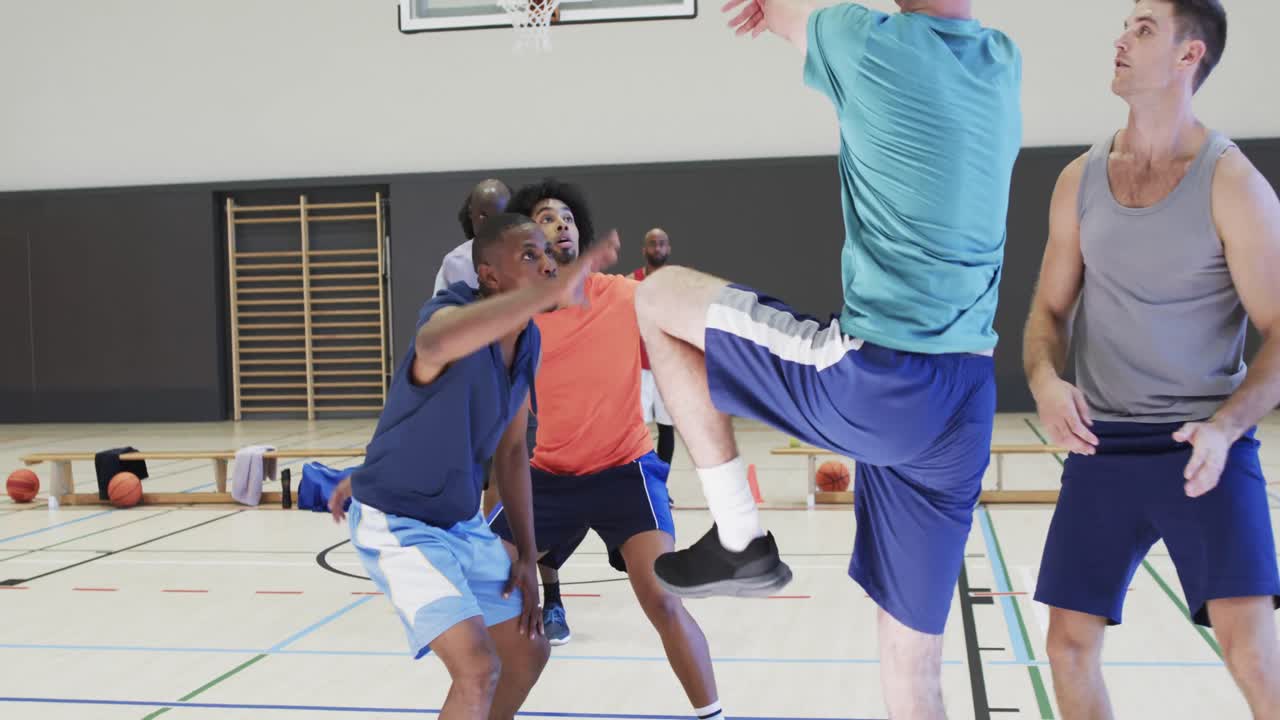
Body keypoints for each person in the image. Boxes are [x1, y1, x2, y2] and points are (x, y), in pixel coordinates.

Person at [633, 1, 1021, 717]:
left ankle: (739, 536)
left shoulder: (864, 41)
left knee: (656, 298)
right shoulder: (1001, 62)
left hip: (879, 379)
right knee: (915, 672)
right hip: (967, 395)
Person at [1023, 2, 1280, 718]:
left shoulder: (1233, 184)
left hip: (1201, 448)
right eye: (1125, 25)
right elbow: (1048, 311)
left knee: (1252, 652)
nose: (1121, 39)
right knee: (1067, 645)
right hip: (1102, 445)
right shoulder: (1080, 179)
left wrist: (1226, 428)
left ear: (1188, 56)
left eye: (1143, 29)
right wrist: (1045, 379)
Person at [332, 212, 619, 720]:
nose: (547, 263)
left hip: (461, 524)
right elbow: (434, 344)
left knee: (529, 651)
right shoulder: (446, 315)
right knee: (477, 667)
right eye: (529, 256)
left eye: (547, 255)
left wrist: (528, 557)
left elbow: (511, 452)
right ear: (489, 277)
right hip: (400, 522)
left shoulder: (528, 343)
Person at [488, 179, 728, 720]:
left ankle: (713, 715)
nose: (562, 223)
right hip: (550, 476)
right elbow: (506, 438)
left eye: (568, 217)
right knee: (483, 588)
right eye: (548, 217)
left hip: (625, 472)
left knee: (663, 598)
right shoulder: (517, 321)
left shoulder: (622, 296)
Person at [634, 228, 677, 469]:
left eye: (662, 244)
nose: (657, 248)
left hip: (667, 369)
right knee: (638, 428)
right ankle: (643, 480)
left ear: (668, 248)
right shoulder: (631, 282)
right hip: (639, 367)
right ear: (644, 249)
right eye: (653, 244)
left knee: (666, 426)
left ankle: (661, 484)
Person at [433, 178, 512, 294]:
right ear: (471, 213)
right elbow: (438, 310)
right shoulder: (454, 262)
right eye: (484, 215)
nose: (491, 223)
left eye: (499, 215)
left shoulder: (527, 256)